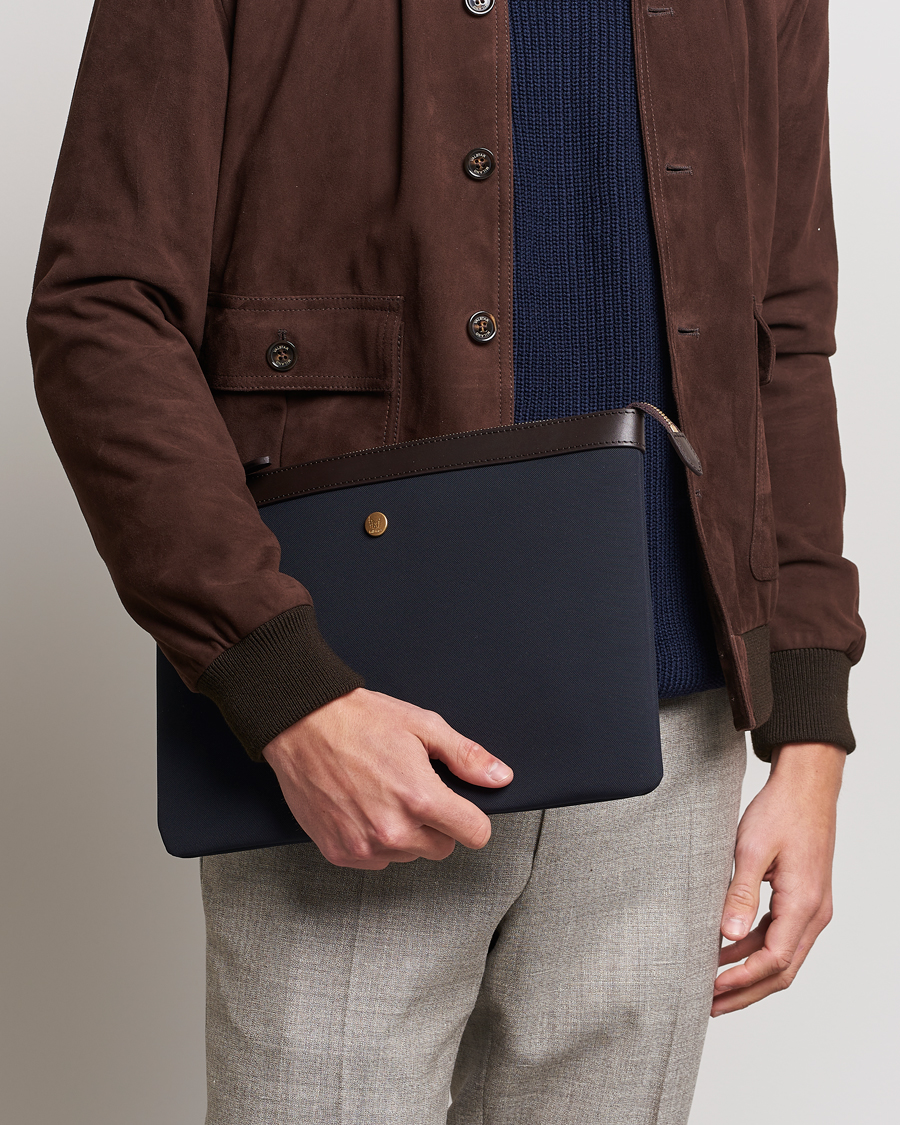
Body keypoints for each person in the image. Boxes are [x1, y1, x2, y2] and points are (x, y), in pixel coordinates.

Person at [27, 1, 862, 1122]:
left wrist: (809, 737)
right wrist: (286, 689)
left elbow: (783, 334)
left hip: (672, 752)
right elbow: (102, 307)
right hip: (351, 728)